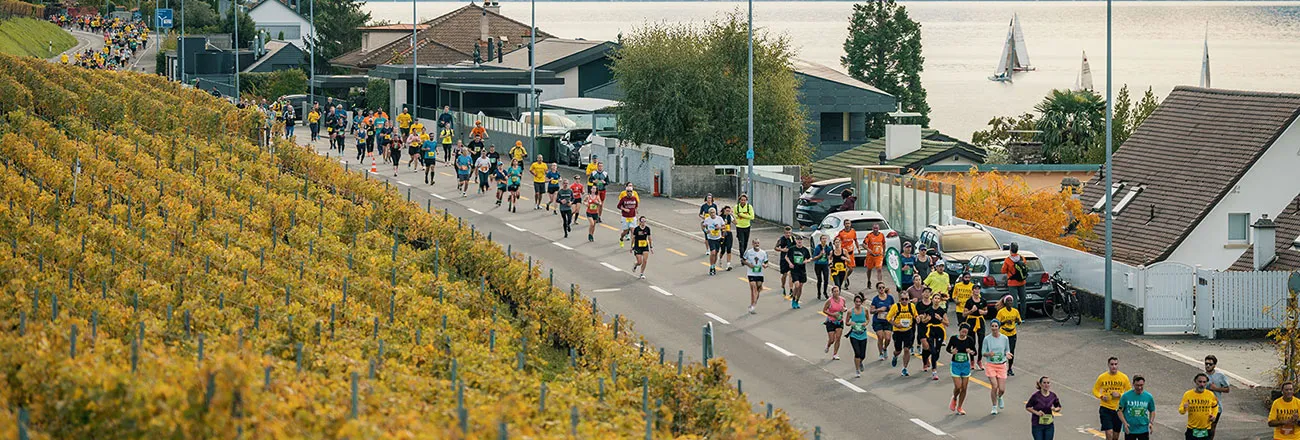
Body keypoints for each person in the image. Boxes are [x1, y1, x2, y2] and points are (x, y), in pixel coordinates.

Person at [1094, 356, 1133, 440]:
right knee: (1109, 433)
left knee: (1115, 436)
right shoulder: (1102, 377)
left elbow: (1130, 392)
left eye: (1115, 364)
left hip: (1118, 409)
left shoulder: (1123, 377)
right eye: (1112, 364)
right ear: (1108, 365)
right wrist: (1101, 396)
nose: (1114, 366)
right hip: (1105, 408)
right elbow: (1095, 390)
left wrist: (1119, 395)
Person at [947, 323, 977, 415]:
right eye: (963, 330)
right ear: (959, 330)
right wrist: (952, 351)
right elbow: (948, 349)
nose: (964, 332)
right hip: (955, 365)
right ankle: (955, 398)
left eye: (966, 331)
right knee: (958, 386)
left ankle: (960, 407)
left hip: (965, 365)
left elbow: (975, 352)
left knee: (964, 387)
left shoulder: (969, 340)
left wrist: (971, 352)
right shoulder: (953, 338)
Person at [1179, 373, 1219, 440]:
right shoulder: (1188, 394)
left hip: (1206, 429)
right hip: (1192, 430)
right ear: (1195, 381)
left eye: (1204, 382)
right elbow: (1181, 411)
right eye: (1200, 382)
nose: (1202, 384)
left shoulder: (1210, 394)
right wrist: (1185, 407)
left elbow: (1215, 406)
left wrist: (1214, 415)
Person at [983, 319, 1012, 415]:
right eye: (992, 326)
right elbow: (983, 352)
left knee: (1002, 389)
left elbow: (1007, 349)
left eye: (996, 326)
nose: (994, 328)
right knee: (994, 386)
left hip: (1001, 365)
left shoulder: (1005, 338)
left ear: (999, 327)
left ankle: (1000, 397)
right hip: (991, 365)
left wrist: (1007, 354)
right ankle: (994, 406)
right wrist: (988, 354)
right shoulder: (987, 339)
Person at [887, 292, 918, 376]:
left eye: (906, 299)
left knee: (906, 349)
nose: (904, 301)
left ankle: (905, 368)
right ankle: (895, 356)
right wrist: (896, 325)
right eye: (902, 299)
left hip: (908, 331)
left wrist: (918, 318)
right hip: (898, 331)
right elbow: (888, 318)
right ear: (900, 299)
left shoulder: (911, 306)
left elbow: (915, 315)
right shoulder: (895, 307)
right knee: (898, 350)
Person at [919, 292, 949, 381]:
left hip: (939, 330)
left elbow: (947, 323)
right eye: (935, 298)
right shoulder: (928, 310)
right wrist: (926, 319)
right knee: (932, 350)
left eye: (938, 299)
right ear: (932, 300)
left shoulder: (942, 311)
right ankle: (934, 371)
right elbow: (923, 321)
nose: (936, 300)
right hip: (930, 330)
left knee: (937, 351)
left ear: (940, 301)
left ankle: (928, 358)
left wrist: (940, 319)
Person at [1119, 375, 1157, 440]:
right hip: (1130, 429)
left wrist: (1151, 422)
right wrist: (1125, 423)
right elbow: (1119, 411)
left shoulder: (1148, 396)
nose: (1139, 387)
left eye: (1141, 385)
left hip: (1143, 429)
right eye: (1137, 385)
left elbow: (1152, 410)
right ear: (1133, 384)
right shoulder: (1125, 396)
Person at [1204, 355, 1229, 439]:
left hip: (1216, 406)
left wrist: (1216, 388)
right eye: (1206, 363)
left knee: (1212, 427)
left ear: (1214, 365)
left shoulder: (1220, 376)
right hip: (1203, 405)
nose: (1207, 366)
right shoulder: (1202, 376)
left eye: (1210, 364)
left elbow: (1227, 389)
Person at [996, 295, 1022, 376]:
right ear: (1005, 302)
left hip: (1012, 333)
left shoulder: (1015, 311)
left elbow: (1019, 321)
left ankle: (1010, 368)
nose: (1010, 302)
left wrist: (1018, 321)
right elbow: (996, 323)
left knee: (1011, 352)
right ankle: (1001, 368)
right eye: (1008, 301)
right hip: (1003, 334)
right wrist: (1005, 321)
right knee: (1002, 351)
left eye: (1011, 301)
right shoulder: (1001, 312)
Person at [964, 288, 989, 371]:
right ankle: (972, 361)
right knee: (972, 341)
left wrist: (984, 312)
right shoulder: (969, 301)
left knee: (981, 341)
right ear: (972, 291)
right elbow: (964, 314)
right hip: (971, 320)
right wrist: (971, 310)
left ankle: (979, 360)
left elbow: (986, 311)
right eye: (975, 289)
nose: (977, 291)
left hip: (980, 320)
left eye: (978, 289)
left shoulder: (983, 300)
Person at [846, 294, 870, 378]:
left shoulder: (865, 310)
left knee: (863, 355)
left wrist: (865, 323)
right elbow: (846, 322)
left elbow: (868, 319)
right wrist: (850, 323)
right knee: (857, 353)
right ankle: (857, 370)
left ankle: (859, 362)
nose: (858, 303)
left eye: (859, 302)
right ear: (854, 302)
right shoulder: (850, 311)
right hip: (854, 335)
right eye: (856, 302)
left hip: (863, 334)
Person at [741, 239, 768, 314]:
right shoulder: (749, 252)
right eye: (755, 243)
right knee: (753, 288)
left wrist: (765, 265)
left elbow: (766, 262)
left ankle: (753, 303)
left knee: (758, 289)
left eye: (758, 243)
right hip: (751, 273)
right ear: (752, 244)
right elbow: (743, 260)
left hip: (759, 273)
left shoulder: (763, 253)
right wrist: (749, 264)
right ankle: (752, 305)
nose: (757, 244)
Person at [869, 283, 894, 361]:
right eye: (880, 288)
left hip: (887, 320)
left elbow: (894, 308)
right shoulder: (875, 299)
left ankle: (885, 348)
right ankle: (880, 353)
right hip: (878, 321)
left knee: (888, 338)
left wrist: (891, 308)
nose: (882, 289)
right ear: (877, 289)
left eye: (883, 287)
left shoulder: (890, 298)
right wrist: (878, 310)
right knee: (880, 337)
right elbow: (871, 311)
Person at [1002, 242, 1029, 313]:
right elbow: (1025, 267)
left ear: (1010, 250)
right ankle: (1022, 317)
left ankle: (1015, 316)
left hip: (1012, 283)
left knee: (1013, 301)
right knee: (1023, 300)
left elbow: (1003, 270)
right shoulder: (1022, 258)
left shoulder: (1008, 260)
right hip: (1022, 282)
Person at [785, 236, 810, 309]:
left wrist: (806, 261)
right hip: (794, 269)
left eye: (800, 240)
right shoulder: (792, 249)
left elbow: (809, 258)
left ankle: (797, 300)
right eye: (798, 240)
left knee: (800, 287)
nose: (799, 241)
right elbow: (786, 257)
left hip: (802, 270)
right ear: (796, 241)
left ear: (802, 241)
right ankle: (793, 299)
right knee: (797, 285)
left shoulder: (805, 250)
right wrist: (790, 263)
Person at [822, 286, 846, 360]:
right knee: (832, 339)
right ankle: (828, 346)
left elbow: (844, 307)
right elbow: (824, 310)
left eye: (837, 291)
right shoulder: (829, 301)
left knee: (838, 337)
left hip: (839, 321)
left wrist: (844, 309)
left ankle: (835, 354)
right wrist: (833, 314)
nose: (836, 293)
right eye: (834, 291)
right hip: (831, 321)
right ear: (832, 292)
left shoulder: (843, 299)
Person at [702, 208, 726, 275]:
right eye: (711, 213)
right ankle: (711, 267)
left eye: (714, 212)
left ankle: (713, 266)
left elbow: (724, 227)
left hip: (718, 238)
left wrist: (720, 228)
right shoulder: (707, 220)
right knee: (713, 252)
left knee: (716, 253)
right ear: (709, 213)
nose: (712, 214)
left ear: (716, 212)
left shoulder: (719, 219)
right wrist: (705, 231)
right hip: (711, 238)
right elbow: (703, 226)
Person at [835, 220, 859, 286]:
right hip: (844, 253)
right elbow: (836, 240)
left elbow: (855, 240)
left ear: (850, 224)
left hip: (851, 253)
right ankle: (844, 282)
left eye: (848, 223)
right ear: (844, 224)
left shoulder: (853, 231)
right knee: (844, 268)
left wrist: (858, 248)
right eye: (846, 223)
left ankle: (845, 277)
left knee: (851, 269)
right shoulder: (841, 233)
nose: (847, 225)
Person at [775, 226, 797, 298]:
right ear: (784, 233)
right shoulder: (781, 239)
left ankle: (791, 289)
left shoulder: (793, 238)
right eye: (787, 233)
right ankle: (783, 286)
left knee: (791, 274)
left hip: (791, 259)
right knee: (784, 275)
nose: (788, 234)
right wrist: (782, 250)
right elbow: (775, 248)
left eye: (789, 233)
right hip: (783, 259)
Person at [812, 235, 833, 299]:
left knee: (826, 279)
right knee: (819, 279)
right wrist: (820, 255)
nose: (824, 240)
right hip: (818, 265)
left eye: (825, 239)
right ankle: (819, 292)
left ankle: (825, 292)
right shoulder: (818, 248)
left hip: (825, 265)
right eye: (823, 239)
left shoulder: (828, 248)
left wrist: (830, 259)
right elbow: (814, 258)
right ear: (820, 240)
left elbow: (830, 256)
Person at [718, 206, 736, 271]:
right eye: (727, 211)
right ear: (724, 210)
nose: (728, 212)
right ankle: (720, 258)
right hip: (722, 234)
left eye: (729, 211)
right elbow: (717, 225)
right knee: (723, 249)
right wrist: (722, 228)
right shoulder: (720, 217)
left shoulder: (729, 217)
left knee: (729, 248)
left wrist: (733, 215)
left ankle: (728, 265)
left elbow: (736, 223)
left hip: (729, 234)